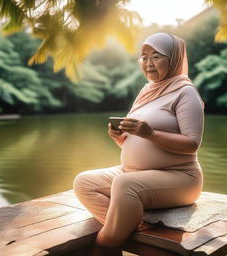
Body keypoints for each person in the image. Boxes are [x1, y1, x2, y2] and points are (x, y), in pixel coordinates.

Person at [73, 32, 204, 256]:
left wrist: (150, 133)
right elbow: (139, 142)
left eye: (156, 56)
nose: (148, 63)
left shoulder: (185, 92)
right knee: (84, 182)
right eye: (143, 57)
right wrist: (122, 139)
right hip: (135, 173)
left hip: (180, 177)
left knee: (125, 185)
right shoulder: (147, 91)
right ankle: (132, 225)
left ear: (172, 59)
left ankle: (106, 242)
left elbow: (192, 144)